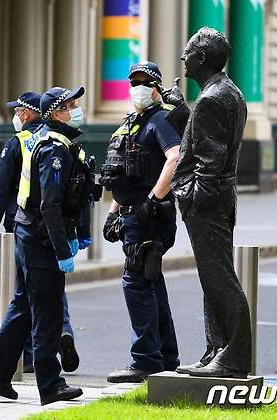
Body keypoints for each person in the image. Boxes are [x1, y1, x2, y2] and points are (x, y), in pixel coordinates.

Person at [0, 86, 94, 406]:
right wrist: (63, 249)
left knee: (22, 307)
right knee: (48, 311)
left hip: (30, 234)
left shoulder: (52, 142)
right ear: (57, 113)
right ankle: (51, 384)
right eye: (71, 105)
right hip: (40, 238)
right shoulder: (54, 150)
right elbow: (49, 205)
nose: (76, 110)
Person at [171, 27, 251, 378]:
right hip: (218, 199)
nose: (183, 59)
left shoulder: (211, 99)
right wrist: (181, 110)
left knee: (219, 279)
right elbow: (205, 137)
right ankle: (216, 350)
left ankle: (232, 356)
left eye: (188, 53)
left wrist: (190, 196)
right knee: (213, 278)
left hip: (207, 203)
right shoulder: (226, 92)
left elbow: (211, 161)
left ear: (201, 58)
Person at [100, 62, 185, 383]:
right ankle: (165, 356)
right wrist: (114, 210)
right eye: (134, 81)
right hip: (132, 211)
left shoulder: (160, 119)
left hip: (149, 215)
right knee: (150, 282)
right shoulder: (132, 124)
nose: (138, 86)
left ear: (157, 87)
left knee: (135, 283)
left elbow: (175, 157)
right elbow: (126, 171)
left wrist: (153, 199)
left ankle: (145, 359)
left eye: (145, 82)